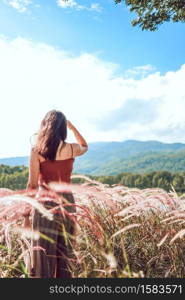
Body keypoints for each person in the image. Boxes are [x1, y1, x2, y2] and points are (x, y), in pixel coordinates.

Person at [24, 110, 88, 278]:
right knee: (65, 251)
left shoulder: (37, 151)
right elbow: (85, 146)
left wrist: (25, 211)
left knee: (43, 250)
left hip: (45, 203)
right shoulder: (71, 149)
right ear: (62, 129)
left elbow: (32, 184)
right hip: (67, 202)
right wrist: (73, 127)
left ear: (45, 126)